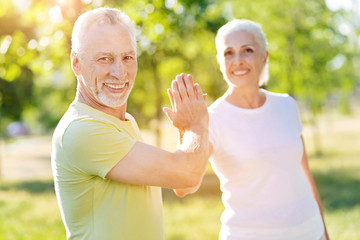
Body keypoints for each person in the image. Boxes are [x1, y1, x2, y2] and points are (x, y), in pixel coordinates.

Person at [51, 7, 209, 240]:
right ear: (76, 63)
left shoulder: (124, 121)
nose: (119, 72)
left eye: (127, 57)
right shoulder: (81, 130)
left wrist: (187, 129)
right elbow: (187, 175)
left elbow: (184, 185)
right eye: (105, 58)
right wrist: (198, 124)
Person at [173, 19, 329, 240]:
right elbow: (183, 186)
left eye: (247, 50)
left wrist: (324, 231)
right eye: (228, 53)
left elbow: (305, 175)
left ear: (263, 56)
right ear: (220, 61)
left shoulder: (287, 105)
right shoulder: (211, 119)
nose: (237, 61)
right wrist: (186, 129)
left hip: (310, 232)